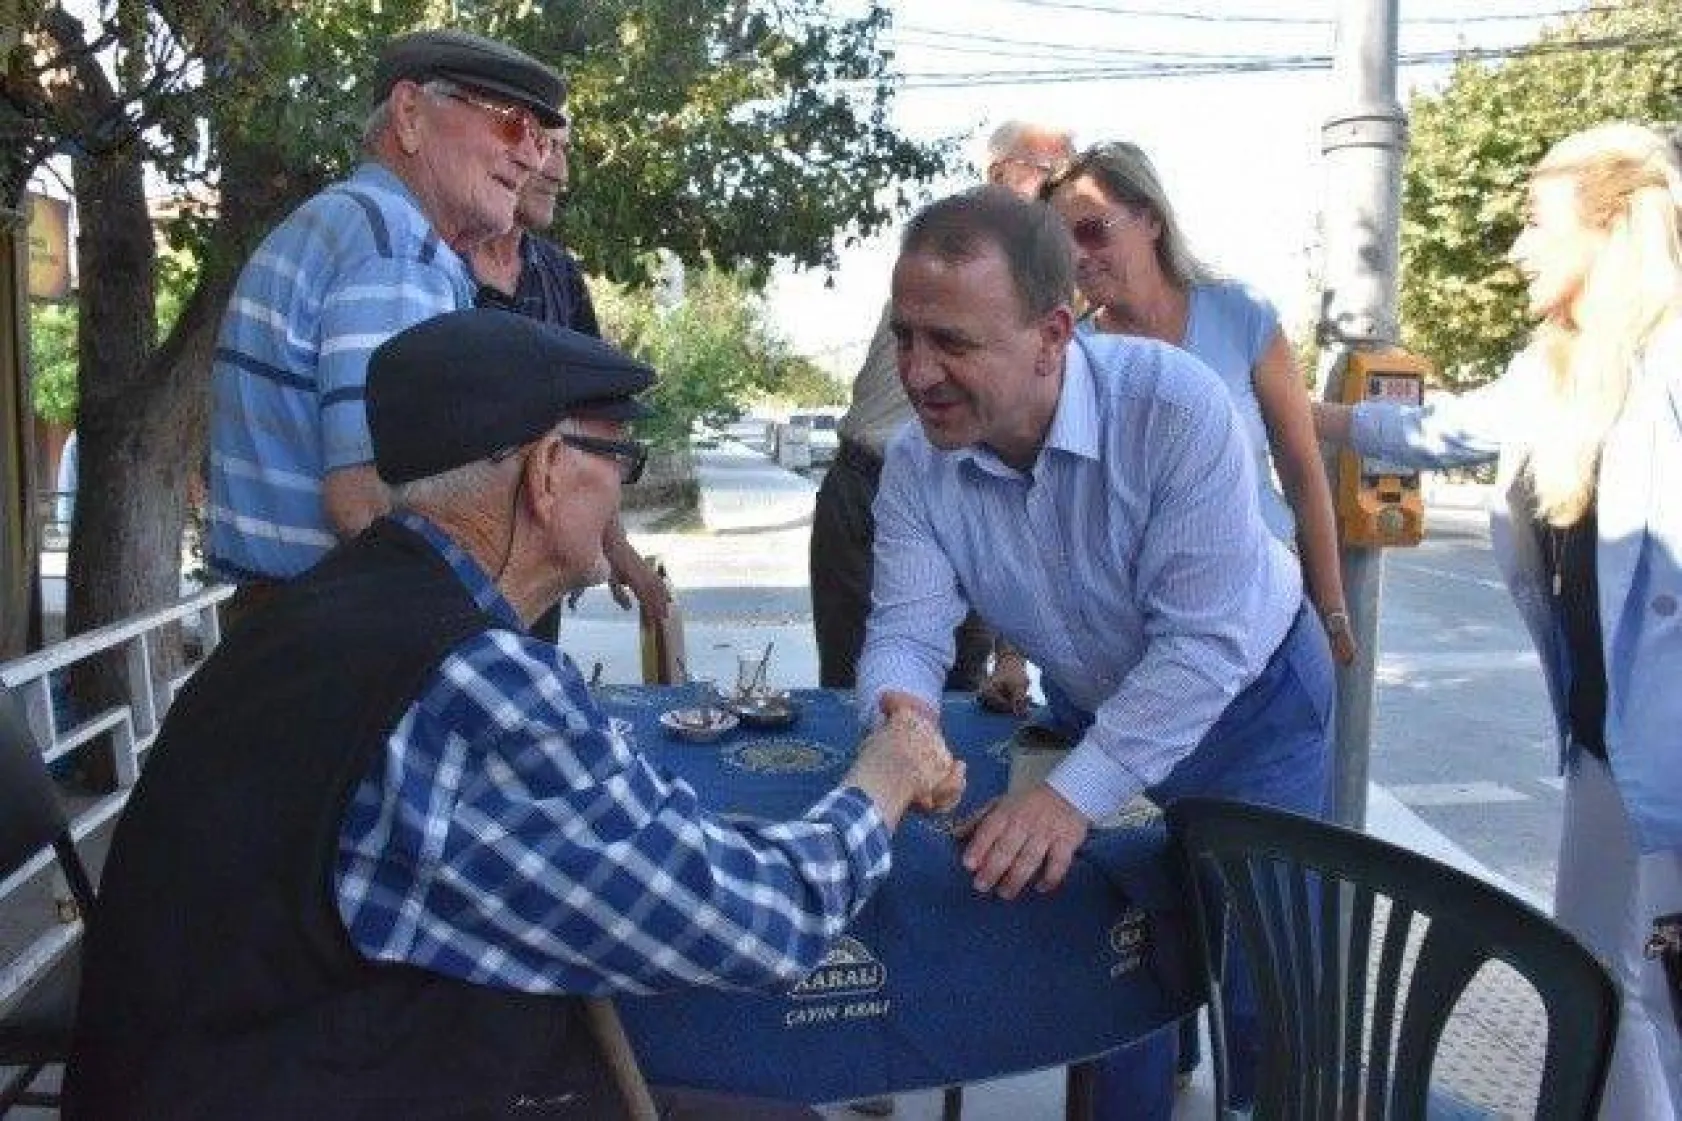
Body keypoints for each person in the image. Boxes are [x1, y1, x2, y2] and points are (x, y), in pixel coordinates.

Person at [65, 308, 965, 1121]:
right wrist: (883, 773)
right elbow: (763, 921)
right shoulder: (468, 679)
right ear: (547, 470)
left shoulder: (328, 607)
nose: (621, 493)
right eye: (620, 461)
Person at [856, 187, 1335, 1118]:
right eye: (905, 336)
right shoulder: (917, 463)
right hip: (1092, 697)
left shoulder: (1176, 409)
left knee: (1264, 965)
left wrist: (1072, 797)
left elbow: (1202, 647)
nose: (918, 374)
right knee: (1119, 946)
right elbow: (908, 630)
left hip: (1253, 700)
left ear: (1052, 334)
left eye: (952, 343)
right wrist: (901, 729)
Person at [1315, 122, 1682, 1120]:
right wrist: (1312, 419)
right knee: (1593, 975)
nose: (1515, 247)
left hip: (1668, 746)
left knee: (1657, 987)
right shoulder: (1565, 366)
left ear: (1608, 229)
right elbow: (1438, 428)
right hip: (1607, 743)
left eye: (1534, 222)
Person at [205, 28, 564, 626]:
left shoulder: (356, 226)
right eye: (509, 122)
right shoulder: (396, 248)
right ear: (410, 113)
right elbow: (367, 502)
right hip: (339, 632)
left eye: (539, 136)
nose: (532, 156)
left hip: (295, 622)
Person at [810, 120, 1076, 693]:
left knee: (958, 694)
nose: (922, 371)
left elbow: (1031, 483)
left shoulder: (1053, 297)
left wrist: (1011, 654)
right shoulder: (958, 250)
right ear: (999, 173)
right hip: (868, 480)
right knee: (861, 688)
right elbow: (901, 646)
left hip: (970, 483)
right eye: (1050, 172)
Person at [469, 120, 671, 634]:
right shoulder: (436, 269)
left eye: (564, 151)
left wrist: (616, 545)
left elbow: (597, 421)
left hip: (539, 565)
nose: (561, 172)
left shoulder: (559, 275)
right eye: (547, 149)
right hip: (460, 559)